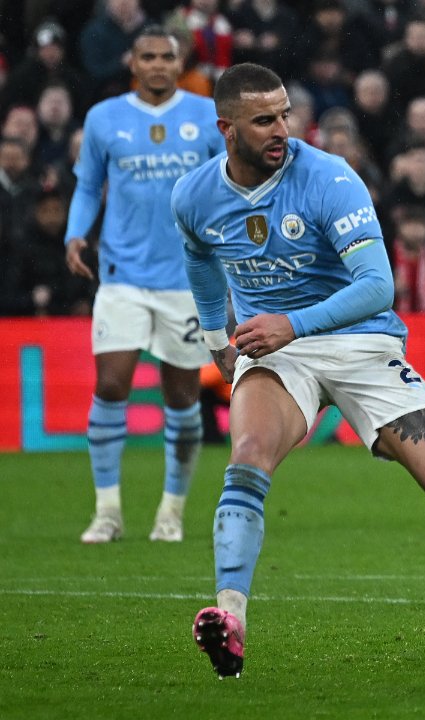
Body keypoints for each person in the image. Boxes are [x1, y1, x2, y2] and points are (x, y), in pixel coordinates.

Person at [171, 63, 425, 679]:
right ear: (226, 127)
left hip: (359, 342)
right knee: (247, 457)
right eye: (264, 119)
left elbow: (378, 286)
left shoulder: (328, 178)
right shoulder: (194, 196)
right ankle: (229, 615)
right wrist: (217, 338)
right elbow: (199, 259)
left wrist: (292, 323)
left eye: (285, 114)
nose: (281, 130)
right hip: (278, 354)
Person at [65, 25, 224, 544]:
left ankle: (170, 513)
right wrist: (74, 235)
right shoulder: (104, 118)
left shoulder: (206, 116)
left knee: (181, 396)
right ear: (133, 63)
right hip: (121, 275)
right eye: (148, 56)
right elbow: (89, 185)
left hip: (187, 279)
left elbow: (224, 190)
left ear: (180, 65)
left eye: (166, 57)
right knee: (111, 384)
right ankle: (106, 512)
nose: (157, 65)